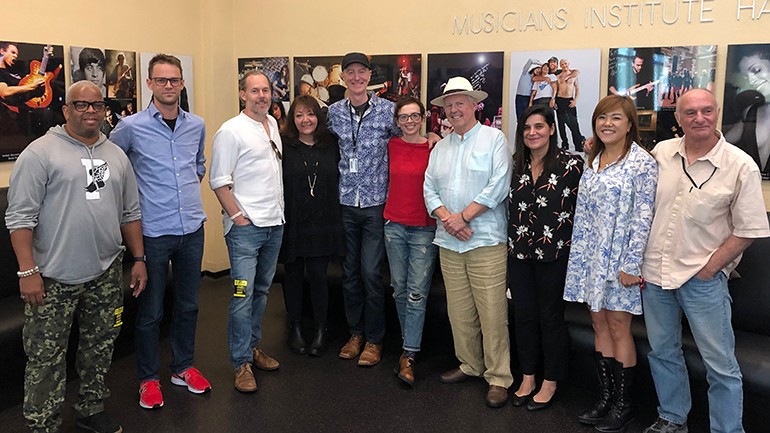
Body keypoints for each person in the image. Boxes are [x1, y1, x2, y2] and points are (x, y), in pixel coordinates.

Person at [5, 80, 146, 433]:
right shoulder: (40, 153)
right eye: (80, 105)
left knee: (99, 346)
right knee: (45, 358)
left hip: (105, 271)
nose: (89, 112)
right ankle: (42, 424)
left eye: (96, 105)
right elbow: (19, 218)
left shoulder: (116, 155)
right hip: (52, 276)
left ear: (104, 110)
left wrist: (139, 259)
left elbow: (129, 213)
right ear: (66, 109)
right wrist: (27, 271)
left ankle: (91, 407)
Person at [641, 89, 770, 433]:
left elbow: (750, 229)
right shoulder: (661, 153)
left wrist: (711, 267)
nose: (699, 118)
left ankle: (727, 429)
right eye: (691, 113)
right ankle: (672, 417)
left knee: (721, 366)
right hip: (656, 275)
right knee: (663, 353)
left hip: (703, 281)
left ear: (717, 113)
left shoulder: (740, 165)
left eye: (707, 111)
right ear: (679, 118)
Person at [110, 54, 210, 410]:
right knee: (150, 311)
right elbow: (107, 170)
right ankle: (148, 378)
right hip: (151, 233)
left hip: (191, 229)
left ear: (182, 83)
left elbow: (197, 166)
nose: (169, 86)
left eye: (175, 80)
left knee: (189, 305)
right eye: (161, 80)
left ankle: (182, 367)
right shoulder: (130, 127)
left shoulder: (195, 124)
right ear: (149, 84)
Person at [564, 94, 658, 432]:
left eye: (616, 118)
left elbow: (643, 216)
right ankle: (605, 397)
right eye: (602, 118)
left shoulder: (642, 163)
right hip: (591, 261)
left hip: (621, 262)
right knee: (599, 326)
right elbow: (583, 216)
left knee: (620, 328)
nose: (608, 124)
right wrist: (580, 262)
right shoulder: (593, 160)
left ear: (630, 124)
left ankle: (623, 403)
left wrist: (632, 264)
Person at [423, 76, 513, 408]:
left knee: (492, 313)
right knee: (459, 312)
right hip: (449, 241)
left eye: (460, 102)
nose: (453, 109)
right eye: (448, 104)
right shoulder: (441, 147)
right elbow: (428, 188)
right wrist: (449, 218)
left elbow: (499, 184)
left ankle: (498, 377)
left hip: (485, 240)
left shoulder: (494, 139)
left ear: (474, 104)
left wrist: (464, 217)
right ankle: (470, 364)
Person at [209, 70, 283, 393]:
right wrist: (239, 218)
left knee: (262, 292)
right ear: (242, 95)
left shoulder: (273, 125)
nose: (261, 96)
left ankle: (253, 347)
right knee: (242, 295)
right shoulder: (231, 131)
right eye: (254, 91)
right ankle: (240, 363)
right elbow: (218, 181)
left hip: (274, 225)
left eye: (265, 90)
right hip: (246, 231)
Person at [326, 52, 401, 367]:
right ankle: (355, 333)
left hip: (374, 204)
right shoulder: (332, 114)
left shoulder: (388, 111)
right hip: (344, 203)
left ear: (370, 76)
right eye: (350, 72)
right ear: (343, 77)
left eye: (361, 72)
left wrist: (433, 138)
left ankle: (375, 339)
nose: (356, 77)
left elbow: (407, 140)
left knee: (370, 272)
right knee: (349, 273)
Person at [508, 105, 583, 411]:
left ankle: (551, 380)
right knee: (523, 315)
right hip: (520, 252)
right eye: (527, 128)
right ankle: (527, 377)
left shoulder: (571, 165)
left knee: (550, 318)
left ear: (552, 129)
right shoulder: (516, 165)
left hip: (555, 255)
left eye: (539, 126)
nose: (532, 133)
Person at [280, 95, 344, 357]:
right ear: (292, 119)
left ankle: (320, 328)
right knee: (292, 277)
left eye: (310, 114)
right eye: (299, 115)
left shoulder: (332, 144)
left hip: (323, 221)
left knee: (319, 277)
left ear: (319, 116)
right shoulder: (284, 145)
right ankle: (294, 328)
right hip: (293, 220)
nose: (305, 120)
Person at [384, 96, 438, 386]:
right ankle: (409, 345)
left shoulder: (434, 147)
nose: (409, 121)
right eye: (403, 117)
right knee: (399, 291)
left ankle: (409, 353)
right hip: (393, 225)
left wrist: (434, 136)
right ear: (397, 122)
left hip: (423, 229)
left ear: (423, 117)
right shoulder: (390, 145)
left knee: (417, 294)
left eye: (414, 116)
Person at [724, 47, 770, 179]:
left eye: (756, 70)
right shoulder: (752, 112)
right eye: (746, 76)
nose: (751, 81)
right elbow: (722, 144)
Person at [555, 58, 585, 152]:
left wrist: (575, 100)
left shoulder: (574, 75)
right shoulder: (558, 76)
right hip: (559, 100)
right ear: (560, 65)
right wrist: (554, 101)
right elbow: (555, 89)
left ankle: (578, 144)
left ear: (569, 64)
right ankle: (565, 144)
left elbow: (577, 88)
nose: (564, 65)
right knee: (561, 123)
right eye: (562, 64)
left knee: (574, 123)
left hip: (569, 100)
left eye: (566, 64)